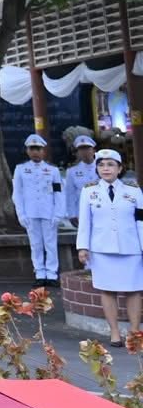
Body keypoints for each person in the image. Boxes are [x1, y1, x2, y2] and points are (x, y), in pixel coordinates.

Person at [74, 147, 143, 342]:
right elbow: (85, 222)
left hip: (131, 248)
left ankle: (134, 332)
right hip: (101, 249)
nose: (106, 168)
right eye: (101, 165)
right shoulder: (89, 191)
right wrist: (82, 247)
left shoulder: (133, 190)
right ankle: (114, 332)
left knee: (134, 290)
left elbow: (141, 221)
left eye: (111, 165)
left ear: (119, 168)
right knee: (107, 290)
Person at [11, 132, 64, 285]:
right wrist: (21, 214)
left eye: (38, 149)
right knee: (35, 244)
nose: (35, 152)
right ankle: (40, 273)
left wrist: (58, 213)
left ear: (43, 151)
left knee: (50, 244)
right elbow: (17, 193)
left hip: (48, 212)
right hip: (30, 212)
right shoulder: (20, 169)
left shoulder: (52, 170)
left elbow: (58, 193)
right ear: (27, 151)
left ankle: (52, 274)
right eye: (32, 149)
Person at [64, 131, 100, 223]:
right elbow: (70, 194)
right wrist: (72, 214)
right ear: (77, 152)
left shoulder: (103, 167)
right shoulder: (72, 171)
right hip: (83, 211)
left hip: (102, 210)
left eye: (87, 148)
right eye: (81, 149)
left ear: (94, 150)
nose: (84, 152)